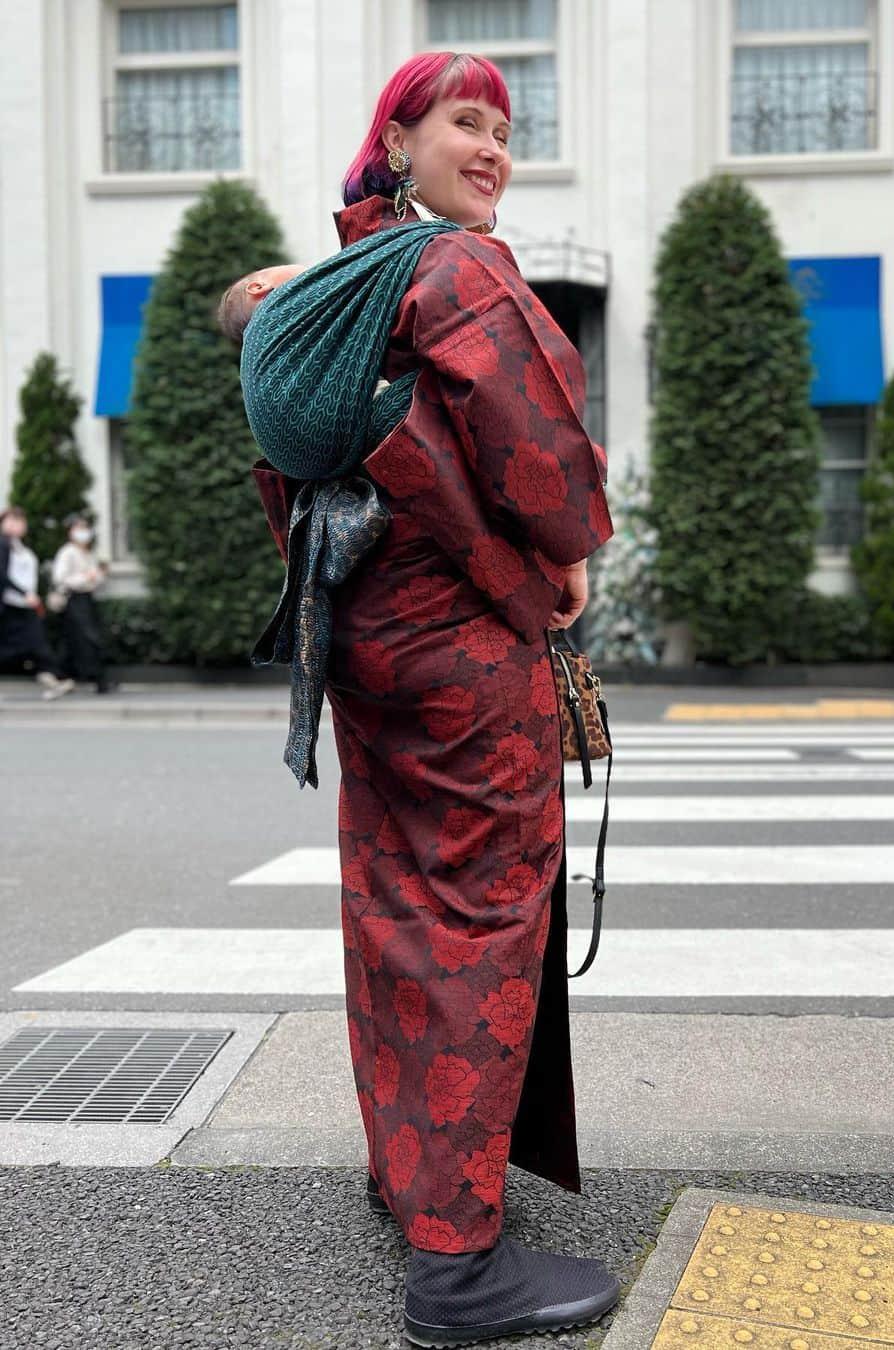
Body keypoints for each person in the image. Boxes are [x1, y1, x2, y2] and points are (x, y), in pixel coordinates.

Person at [238, 51, 617, 1348]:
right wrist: (570, 552)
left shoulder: (352, 275)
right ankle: (458, 1266)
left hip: (366, 637)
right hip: (462, 648)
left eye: (508, 129)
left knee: (394, 896)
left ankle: (410, 1173)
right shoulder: (459, 271)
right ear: (396, 142)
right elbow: (550, 464)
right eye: (468, 123)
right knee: (479, 909)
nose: (495, 146)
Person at [0, 506, 75, 700]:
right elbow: (2, 576)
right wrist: (25, 593)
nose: (18, 525)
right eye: (11, 520)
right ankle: (53, 677)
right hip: (12, 604)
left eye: (20, 520)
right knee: (28, 645)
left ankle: (51, 678)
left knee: (34, 644)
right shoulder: (3, 544)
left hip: (24, 604)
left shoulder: (18, 546)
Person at [50, 514, 113, 694]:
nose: (83, 532)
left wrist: (98, 576)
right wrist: (86, 577)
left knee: (74, 641)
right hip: (74, 599)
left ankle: (67, 676)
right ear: (70, 532)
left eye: (85, 528)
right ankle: (96, 679)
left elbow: (95, 579)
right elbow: (60, 578)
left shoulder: (88, 553)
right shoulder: (67, 552)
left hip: (86, 599)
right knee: (89, 638)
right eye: (78, 528)